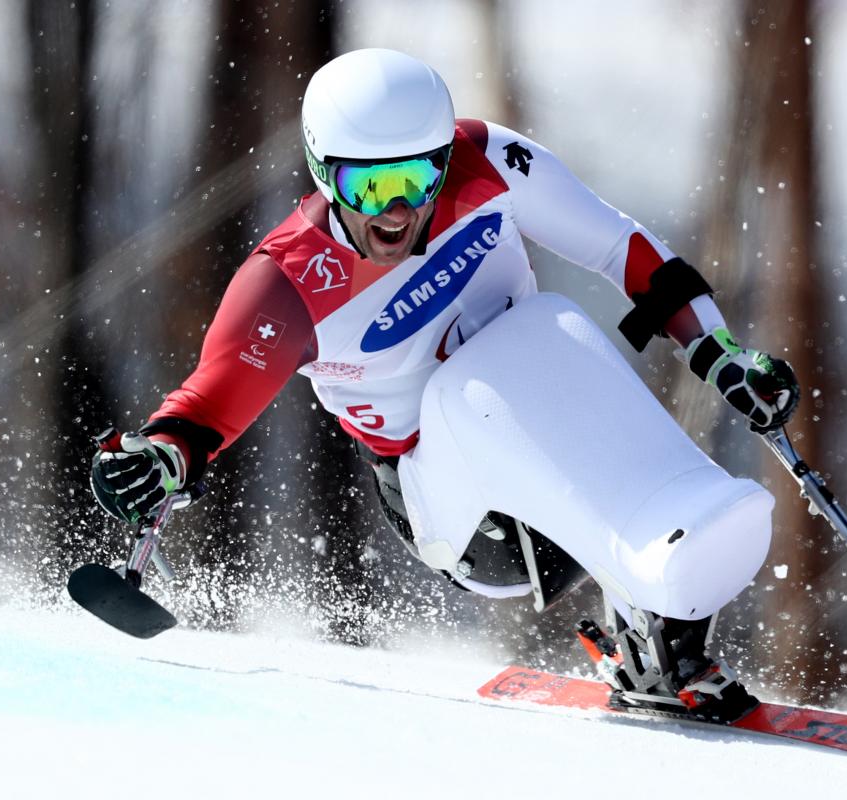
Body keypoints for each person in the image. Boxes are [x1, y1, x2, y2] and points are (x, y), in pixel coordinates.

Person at [90, 48, 798, 721]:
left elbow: (619, 245)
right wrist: (158, 457)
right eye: (368, 187)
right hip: (461, 518)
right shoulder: (287, 283)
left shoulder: (485, 160)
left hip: (551, 428)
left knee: (553, 325)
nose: (396, 212)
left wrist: (717, 350)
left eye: (418, 180)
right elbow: (207, 406)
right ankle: (647, 606)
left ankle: (669, 616)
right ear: (321, 173)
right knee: (489, 366)